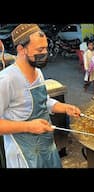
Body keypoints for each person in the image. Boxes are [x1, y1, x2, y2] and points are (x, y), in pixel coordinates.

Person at [0, 24, 81, 168]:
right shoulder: (6, 80)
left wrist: (63, 107)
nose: (45, 53)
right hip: (24, 156)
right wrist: (28, 127)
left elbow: (43, 101)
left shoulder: (38, 72)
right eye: (40, 50)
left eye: (46, 48)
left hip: (47, 148)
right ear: (21, 49)